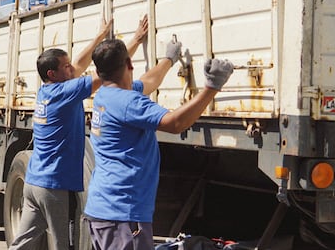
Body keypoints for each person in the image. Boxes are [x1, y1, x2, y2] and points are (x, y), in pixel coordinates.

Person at [9, 15, 150, 250]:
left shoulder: (48, 92)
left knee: (22, 244)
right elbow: (107, 72)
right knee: (62, 245)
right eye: (66, 66)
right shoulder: (64, 92)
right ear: (53, 74)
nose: (71, 68)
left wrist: (99, 37)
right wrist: (134, 41)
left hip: (34, 183)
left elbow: (80, 65)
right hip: (52, 186)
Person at [84, 39, 235, 250]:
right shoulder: (129, 102)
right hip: (123, 215)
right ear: (129, 64)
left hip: (105, 210)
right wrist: (212, 87)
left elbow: (148, 81)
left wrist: (169, 59)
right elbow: (175, 123)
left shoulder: (105, 95)